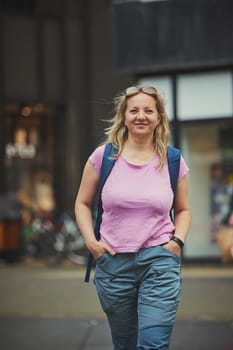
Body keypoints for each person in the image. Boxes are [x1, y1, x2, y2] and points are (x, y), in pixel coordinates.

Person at [74, 85, 191, 350]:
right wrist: (92, 244)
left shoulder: (172, 159)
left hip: (159, 262)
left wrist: (177, 242)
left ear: (158, 117)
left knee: (153, 345)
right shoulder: (103, 157)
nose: (141, 116)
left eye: (148, 110)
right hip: (114, 264)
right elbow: (82, 203)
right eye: (134, 110)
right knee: (125, 344)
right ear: (124, 116)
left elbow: (183, 209)